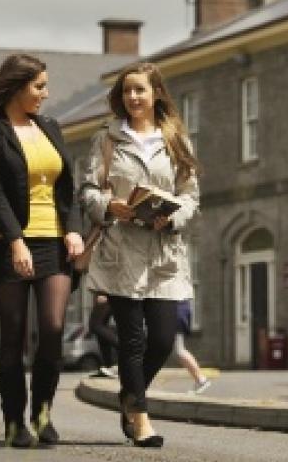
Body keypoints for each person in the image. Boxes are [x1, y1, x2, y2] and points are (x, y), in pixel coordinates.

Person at [80, 61, 200, 449]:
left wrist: (174, 216)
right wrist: (108, 206)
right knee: (131, 340)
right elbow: (88, 192)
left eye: (140, 90)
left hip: (164, 253)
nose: (133, 97)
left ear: (156, 94)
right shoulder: (107, 138)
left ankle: (129, 398)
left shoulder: (176, 138)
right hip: (120, 251)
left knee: (163, 339)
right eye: (127, 91)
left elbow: (190, 196)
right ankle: (142, 419)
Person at [0, 53, 84, 447]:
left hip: (54, 242)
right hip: (9, 243)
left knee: (51, 330)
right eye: (39, 87)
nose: (45, 95)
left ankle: (43, 413)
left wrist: (73, 231)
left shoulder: (49, 127)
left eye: (45, 86)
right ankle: (14, 421)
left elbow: (66, 187)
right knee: (13, 335)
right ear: (17, 86)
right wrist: (16, 240)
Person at [174, 299, 211, 393]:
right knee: (178, 350)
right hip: (179, 314)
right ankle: (200, 380)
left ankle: (201, 379)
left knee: (179, 350)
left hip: (176, 315)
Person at [87, 293, 118, 378]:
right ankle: (109, 366)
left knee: (95, 325)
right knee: (100, 325)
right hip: (108, 291)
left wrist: (103, 293)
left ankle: (128, 350)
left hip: (108, 290)